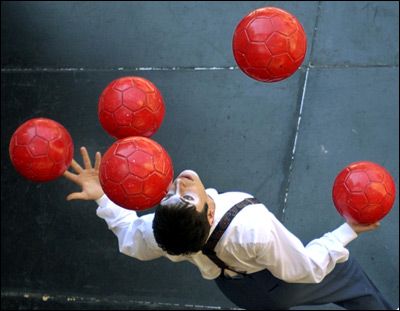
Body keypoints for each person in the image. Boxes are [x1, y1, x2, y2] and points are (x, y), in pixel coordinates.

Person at [63, 146, 394, 310]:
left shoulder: (164, 235)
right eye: (187, 198)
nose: (180, 184)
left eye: (169, 196)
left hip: (239, 292)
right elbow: (303, 268)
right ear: (208, 216)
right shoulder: (251, 227)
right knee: (347, 275)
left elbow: (130, 237)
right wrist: (348, 230)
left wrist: (104, 197)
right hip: (279, 284)